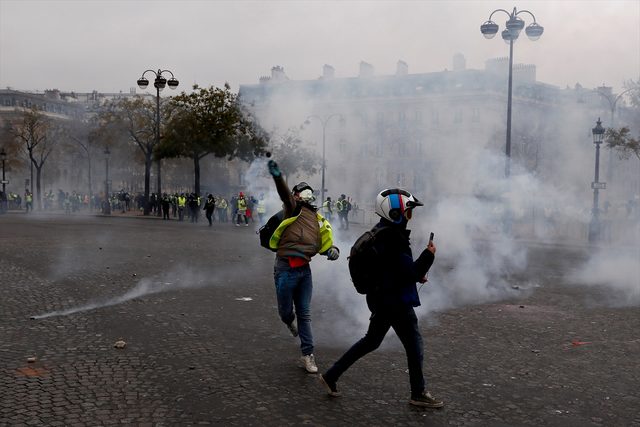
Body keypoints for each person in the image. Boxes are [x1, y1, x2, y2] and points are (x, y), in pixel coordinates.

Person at [319, 188, 443, 409]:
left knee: (371, 341)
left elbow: (397, 270)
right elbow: (410, 273)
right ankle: (418, 392)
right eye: (408, 212)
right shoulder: (393, 238)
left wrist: (414, 273)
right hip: (395, 302)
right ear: (395, 213)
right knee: (414, 344)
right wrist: (428, 255)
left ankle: (331, 375)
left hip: (382, 298)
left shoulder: (381, 233)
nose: (409, 216)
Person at [267, 159, 340, 373]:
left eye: (309, 191)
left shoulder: (318, 219)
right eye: (302, 192)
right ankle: (289, 322)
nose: (306, 194)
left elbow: (323, 243)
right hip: (285, 269)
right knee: (285, 313)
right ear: (297, 196)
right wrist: (278, 176)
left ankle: (308, 355)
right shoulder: (292, 209)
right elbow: (283, 192)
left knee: (305, 314)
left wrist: (332, 251)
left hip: (304, 271)